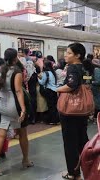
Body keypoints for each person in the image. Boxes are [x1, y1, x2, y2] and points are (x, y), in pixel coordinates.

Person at [0, 48, 33, 177]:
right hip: (14, 106)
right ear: (15, 58)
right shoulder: (17, 72)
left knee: (0, 135)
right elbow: (18, 91)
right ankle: (25, 160)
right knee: (22, 133)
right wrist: (24, 109)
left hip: (1, 104)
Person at [57, 43, 89, 180]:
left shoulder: (72, 67)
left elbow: (72, 85)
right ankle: (88, 167)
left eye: (69, 53)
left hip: (71, 110)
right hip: (83, 108)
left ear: (78, 56)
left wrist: (57, 89)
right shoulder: (85, 67)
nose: (65, 55)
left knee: (70, 142)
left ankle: (73, 173)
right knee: (82, 140)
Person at [38, 60, 59, 125]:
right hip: (54, 90)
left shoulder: (46, 73)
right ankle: (56, 119)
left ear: (45, 66)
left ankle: (52, 120)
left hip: (49, 90)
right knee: (54, 106)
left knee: (50, 106)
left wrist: (38, 78)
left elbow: (42, 82)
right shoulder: (53, 72)